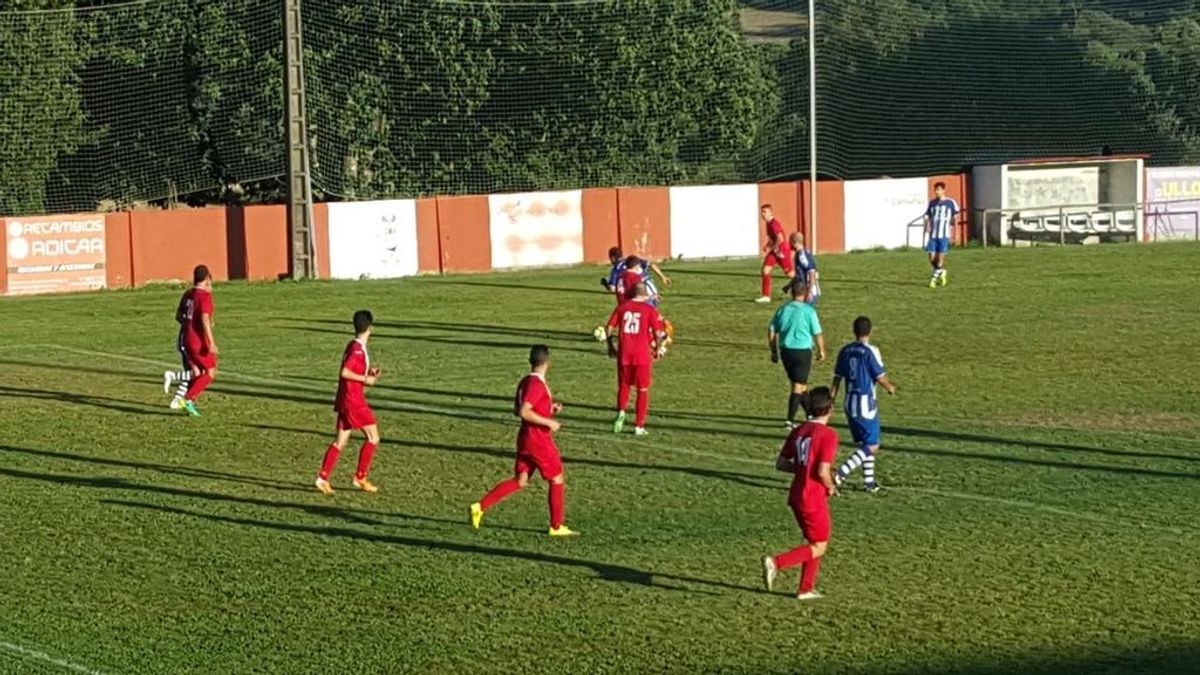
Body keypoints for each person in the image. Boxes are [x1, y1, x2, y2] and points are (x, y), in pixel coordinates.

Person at [470, 345, 579, 537]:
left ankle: (480, 506)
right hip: (539, 440)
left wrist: (549, 408)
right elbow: (524, 411)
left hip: (525, 438)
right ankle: (556, 526)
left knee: (520, 481)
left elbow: (518, 409)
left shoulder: (525, 382)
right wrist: (549, 422)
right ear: (547, 362)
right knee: (557, 479)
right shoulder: (537, 385)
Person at [761, 387, 839, 601]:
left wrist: (803, 469)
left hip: (796, 494)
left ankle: (805, 588)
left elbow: (781, 463)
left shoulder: (799, 431)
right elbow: (823, 471)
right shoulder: (828, 435)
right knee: (820, 545)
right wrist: (831, 485)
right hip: (812, 497)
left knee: (813, 542)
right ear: (830, 408)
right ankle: (776, 562)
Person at [316, 310, 383, 495]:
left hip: (347, 399)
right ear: (371, 328)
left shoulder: (353, 345)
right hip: (354, 401)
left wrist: (368, 374)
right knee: (373, 437)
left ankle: (322, 479)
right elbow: (345, 372)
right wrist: (365, 379)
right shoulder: (358, 350)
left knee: (341, 441)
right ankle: (360, 477)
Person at [830, 316, 897, 492]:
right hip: (865, 403)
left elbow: (837, 378)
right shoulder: (869, 351)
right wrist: (889, 387)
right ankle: (840, 473)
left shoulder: (845, 350)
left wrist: (831, 398)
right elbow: (879, 376)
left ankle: (869, 482)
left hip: (849, 401)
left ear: (854, 331)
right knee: (873, 445)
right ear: (870, 331)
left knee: (866, 443)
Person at [607, 282, 665, 436]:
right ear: (644, 295)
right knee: (642, 390)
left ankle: (621, 412)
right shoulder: (649, 310)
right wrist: (658, 349)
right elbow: (658, 333)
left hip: (624, 353)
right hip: (642, 355)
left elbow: (609, 327)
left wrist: (610, 346)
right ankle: (639, 426)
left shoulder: (622, 307)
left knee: (624, 386)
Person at [768, 281, 826, 428]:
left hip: (786, 351)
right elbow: (817, 333)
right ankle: (790, 420)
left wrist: (774, 351)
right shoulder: (808, 311)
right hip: (802, 351)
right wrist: (821, 351)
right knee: (798, 386)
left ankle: (810, 415)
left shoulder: (783, 309)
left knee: (802, 385)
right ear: (805, 293)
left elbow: (771, 331)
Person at [164, 264, 218, 417]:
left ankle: (181, 399)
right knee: (210, 372)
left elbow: (178, 316)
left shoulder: (188, 294)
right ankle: (187, 399)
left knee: (196, 372)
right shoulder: (204, 296)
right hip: (198, 342)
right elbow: (204, 318)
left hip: (186, 339)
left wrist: (189, 324)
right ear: (207, 278)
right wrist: (211, 342)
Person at [924, 181, 959, 288]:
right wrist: (927, 227)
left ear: (944, 190)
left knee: (940, 259)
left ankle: (933, 280)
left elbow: (955, 219)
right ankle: (942, 272)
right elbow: (928, 216)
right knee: (931, 258)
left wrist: (956, 234)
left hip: (944, 235)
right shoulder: (932, 203)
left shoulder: (951, 202)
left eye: (939, 189)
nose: (937, 192)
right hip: (933, 235)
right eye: (936, 190)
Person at [756, 204, 794, 303]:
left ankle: (807, 285)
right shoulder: (768, 224)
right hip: (775, 251)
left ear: (770, 212)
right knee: (765, 270)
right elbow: (773, 239)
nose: (762, 214)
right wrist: (768, 246)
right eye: (762, 212)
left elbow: (780, 239)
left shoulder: (774, 224)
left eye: (765, 212)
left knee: (790, 274)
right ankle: (766, 296)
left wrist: (772, 247)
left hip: (782, 252)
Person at [787, 232, 820, 305]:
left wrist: (809, 291)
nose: (789, 244)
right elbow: (800, 273)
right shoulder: (799, 254)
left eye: (790, 242)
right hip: (802, 290)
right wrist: (790, 285)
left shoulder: (802, 256)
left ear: (794, 242)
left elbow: (812, 273)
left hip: (807, 291)